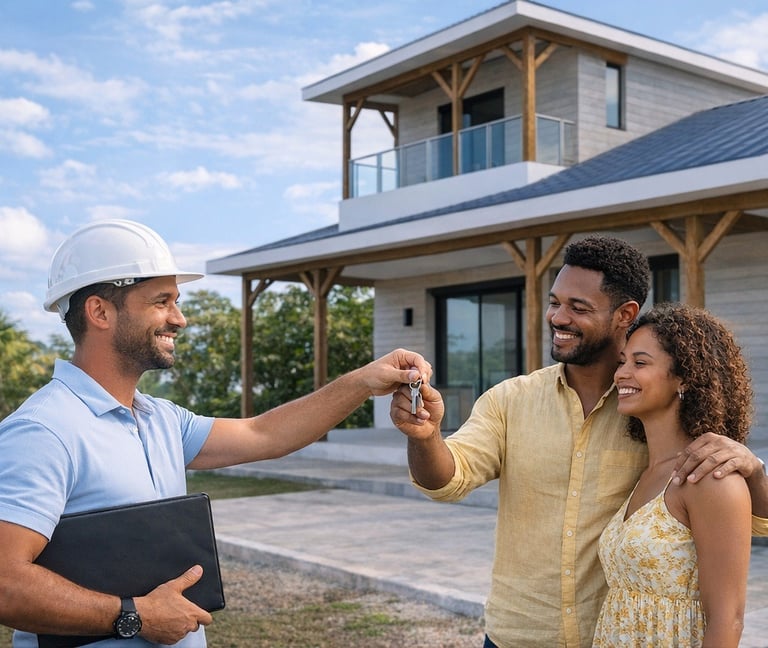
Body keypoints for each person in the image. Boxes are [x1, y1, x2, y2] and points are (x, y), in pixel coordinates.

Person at [0, 219, 432, 648]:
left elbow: (265, 435)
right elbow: (4, 581)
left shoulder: (159, 418)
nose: (180, 319)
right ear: (100, 312)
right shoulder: (43, 430)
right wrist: (134, 617)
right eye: (162, 301)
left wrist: (361, 381)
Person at [390, 235, 768, 648]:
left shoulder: (661, 418)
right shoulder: (510, 400)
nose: (557, 317)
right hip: (516, 637)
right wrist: (426, 437)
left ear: (625, 314)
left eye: (578, 307)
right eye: (555, 302)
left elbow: (743, 525)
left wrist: (754, 470)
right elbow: (447, 480)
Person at [593, 303, 752, 647]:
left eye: (640, 362)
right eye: (622, 361)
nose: (621, 373)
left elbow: (729, 620)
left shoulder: (711, 478)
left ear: (683, 377)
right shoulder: (649, 470)